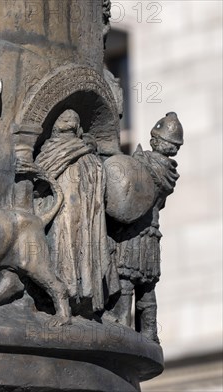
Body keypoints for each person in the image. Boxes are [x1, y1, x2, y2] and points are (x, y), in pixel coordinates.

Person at [35, 109, 119, 316]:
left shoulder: (83, 151)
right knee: (69, 245)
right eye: (66, 119)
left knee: (74, 245)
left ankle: (75, 293)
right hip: (67, 208)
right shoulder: (61, 150)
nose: (69, 121)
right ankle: (69, 292)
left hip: (77, 210)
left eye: (72, 119)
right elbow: (40, 179)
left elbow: (38, 183)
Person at [109, 112, 183, 342]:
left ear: (158, 142)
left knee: (126, 278)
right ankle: (149, 332)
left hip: (134, 231)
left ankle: (122, 322)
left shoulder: (146, 163)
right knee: (148, 286)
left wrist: (135, 159)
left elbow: (132, 185)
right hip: (152, 233)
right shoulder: (170, 172)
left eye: (155, 138)